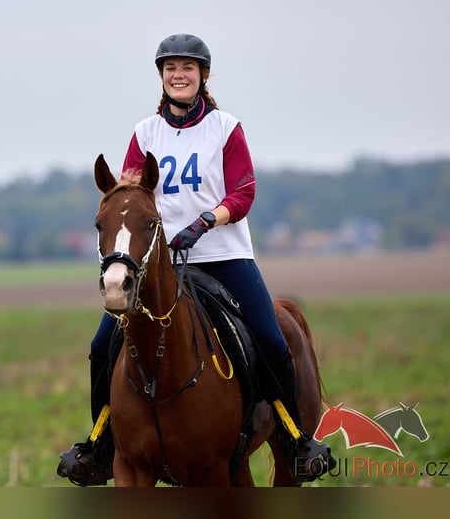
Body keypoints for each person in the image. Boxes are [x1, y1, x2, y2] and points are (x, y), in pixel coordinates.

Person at [57, 33, 334, 486]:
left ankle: (296, 440)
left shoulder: (225, 127)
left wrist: (205, 221)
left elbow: (244, 191)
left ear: (202, 76)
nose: (178, 75)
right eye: (170, 69)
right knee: (99, 346)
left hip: (223, 255)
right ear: (162, 77)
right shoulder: (145, 132)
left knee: (271, 337)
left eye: (187, 68)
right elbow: (130, 189)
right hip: (158, 265)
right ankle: (98, 446)